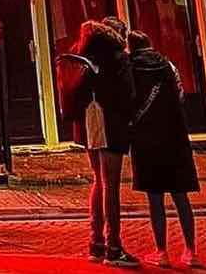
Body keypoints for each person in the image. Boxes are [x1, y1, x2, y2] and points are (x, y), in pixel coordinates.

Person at [128, 30, 202, 269]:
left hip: (147, 138)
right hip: (174, 135)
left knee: (155, 198)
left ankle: (161, 251)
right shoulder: (168, 65)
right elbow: (180, 96)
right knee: (181, 196)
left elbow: (128, 101)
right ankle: (190, 250)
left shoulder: (131, 68)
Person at [71, 17, 138, 267]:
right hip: (110, 121)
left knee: (98, 181)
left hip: (89, 121)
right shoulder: (117, 56)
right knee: (111, 185)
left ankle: (95, 242)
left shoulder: (86, 52)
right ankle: (114, 246)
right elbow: (127, 93)